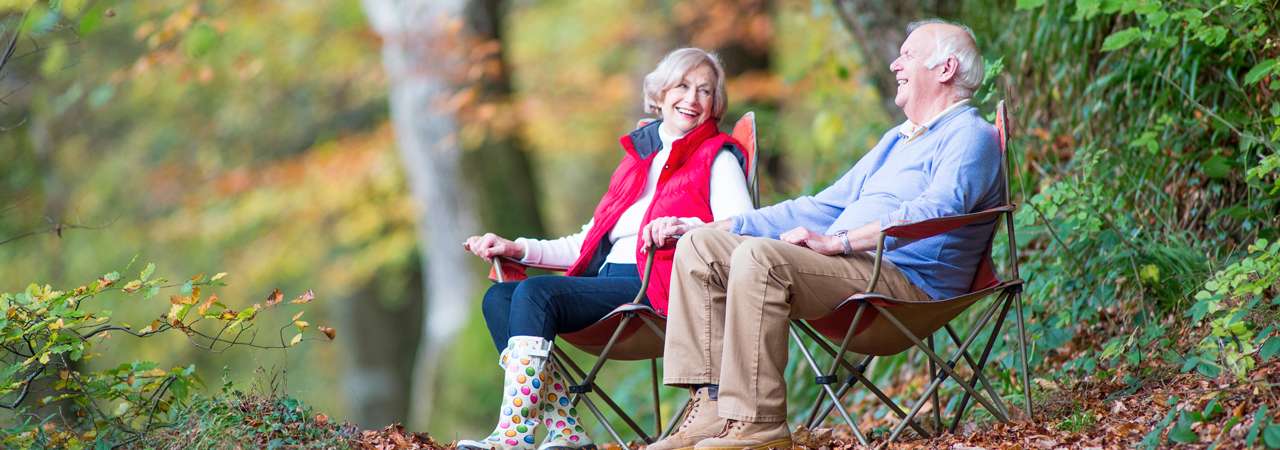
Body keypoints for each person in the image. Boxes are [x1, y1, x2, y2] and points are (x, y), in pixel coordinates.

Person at [643, 20, 1003, 450]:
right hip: (849, 269)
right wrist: (715, 226)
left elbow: (938, 209)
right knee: (700, 248)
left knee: (760, 259)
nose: (894, 64)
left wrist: (840, 242)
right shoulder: (898, 140)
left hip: (904, 282)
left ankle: (758, 423)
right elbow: (822, 206)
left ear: (944, 69)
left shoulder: (969, 135)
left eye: (906, 55)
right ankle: (711, 407)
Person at [457, 47, 754, 450]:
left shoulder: (717, 157)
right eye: (682, 86)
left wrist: (685, 227)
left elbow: (743, 230)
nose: (692, 99)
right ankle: (565, 431)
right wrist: (517, 248)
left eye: (705, 90)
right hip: (609, 286)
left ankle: (514, 434)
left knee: (535, 293)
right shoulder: (636, 161)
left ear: (715, 103)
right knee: (499, 298)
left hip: (661, 288)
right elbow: (588, 240)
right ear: (661, 93)